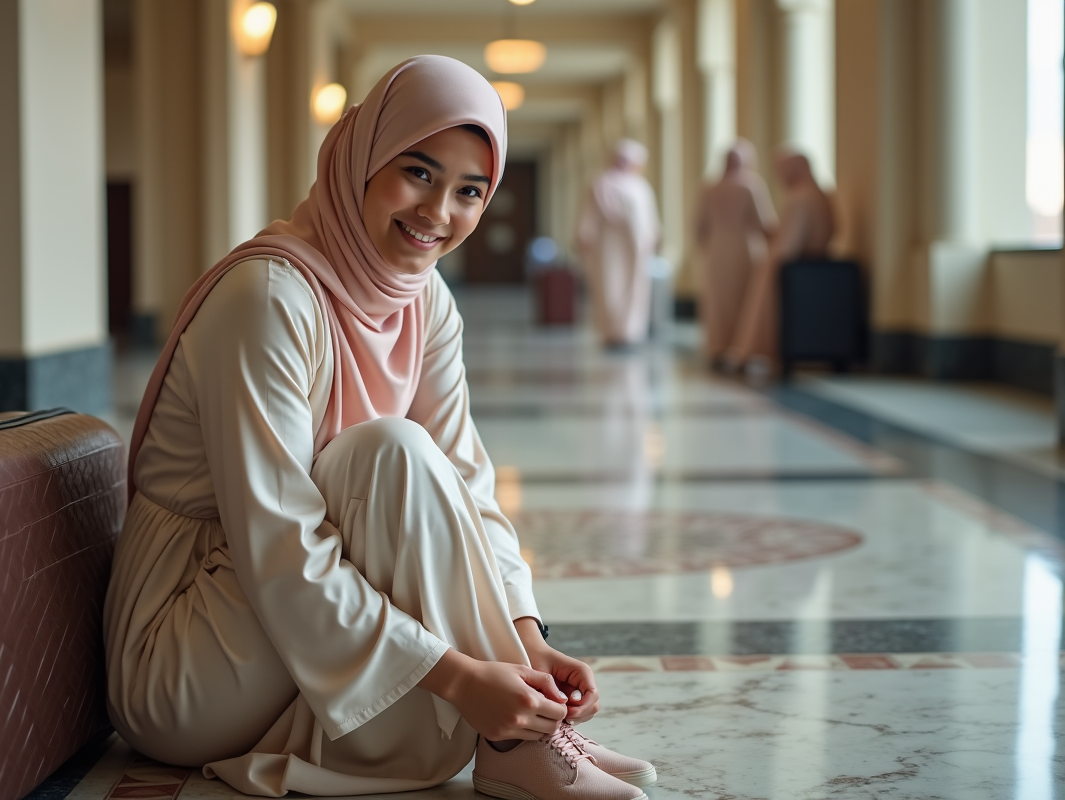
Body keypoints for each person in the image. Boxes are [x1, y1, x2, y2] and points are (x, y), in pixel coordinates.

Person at [104, 56, 655, 800]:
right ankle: (511, 740)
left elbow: (469, 485)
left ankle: (522, 730)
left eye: (469, 191)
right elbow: (278, 543)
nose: (438, 213)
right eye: (418, 172)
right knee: (388, 454)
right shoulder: (268, 298)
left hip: (273, 623)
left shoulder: (423, 301)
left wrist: (526, 639)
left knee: (409, 459)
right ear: (359, 160)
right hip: (181, 663)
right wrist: (462, 682)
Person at [726, 149, 835, 376]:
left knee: (764, 284)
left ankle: (753, 350)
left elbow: (788, 245)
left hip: (795, 264)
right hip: (809, 263)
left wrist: (770, 261)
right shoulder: (818, 194)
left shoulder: (800, 198)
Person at [694, 139, 777, 368]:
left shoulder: (709, 187)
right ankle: (740, 347)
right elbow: (764, 222)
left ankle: (717, 346)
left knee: (718, 301)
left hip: (716, 249)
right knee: (743, 299)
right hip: (745, 249)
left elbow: (698, 227)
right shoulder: (751, 185)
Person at [575, 139, 661, 347]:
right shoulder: (602, 183)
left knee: (635, 287)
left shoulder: (641, 186)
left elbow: (650, 217)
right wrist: (584, 235)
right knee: (609, 286)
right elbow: (590, 215)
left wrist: (653, 236)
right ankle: (612, 332)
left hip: (637, 248)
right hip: (608, 247)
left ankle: (631, 332)